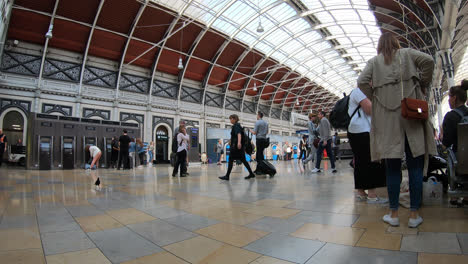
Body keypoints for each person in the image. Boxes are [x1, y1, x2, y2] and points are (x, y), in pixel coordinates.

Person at [358, 32, 436, 228]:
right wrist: (422, 82)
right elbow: (428, 61)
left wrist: (375, 95)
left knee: (392, 167)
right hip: (411, 114)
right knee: (415, 166)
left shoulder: (374, 62)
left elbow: (361, 81)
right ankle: (413, 215)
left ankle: (393, 214)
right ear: (396, 43)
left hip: (387, 120)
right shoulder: (407, 54)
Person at [347, 87, 387, 203]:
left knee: (360, 162)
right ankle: (372, 194)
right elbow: (369, 109)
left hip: (356, 131)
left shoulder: (356, 92)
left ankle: (361, 192)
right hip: (363, 131)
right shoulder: (359, 91)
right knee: (370, 161)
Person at [441, 79, 468, 207]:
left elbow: (446, 143)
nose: (448, 100)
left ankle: (454, 197)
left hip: (462, 162)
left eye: (449, 97)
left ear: (454, 98)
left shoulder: (451, 116)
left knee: (448, 153)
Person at [219, 114, 255, 180]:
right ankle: (251, 173)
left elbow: (239, 134)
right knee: (243, 160)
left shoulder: (236, 126)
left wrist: (238, 143)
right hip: (239, 148)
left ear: (234, 119)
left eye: (231, 119)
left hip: (236, 147)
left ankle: (227, 176)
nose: (230, 120)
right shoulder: (238, 126)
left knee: (231, 159)